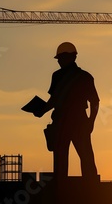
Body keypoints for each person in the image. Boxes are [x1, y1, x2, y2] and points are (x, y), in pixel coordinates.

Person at [33, 42, 100, 184]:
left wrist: (41, 110)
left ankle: (64, 189)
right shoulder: (85, 76)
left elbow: (54, 100)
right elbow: (94, 103)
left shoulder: (60, 76)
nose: (59, 62)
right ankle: (91, 189)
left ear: (69, 57)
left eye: (60, 59)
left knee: (62, 159)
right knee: (85, 158)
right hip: (78, 121)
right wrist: (90, 122)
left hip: (64, 122)